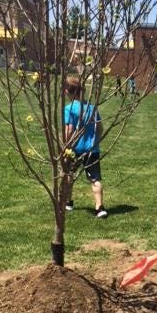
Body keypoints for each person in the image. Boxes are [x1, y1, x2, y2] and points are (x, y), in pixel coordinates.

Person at [63, 76, 108, 217]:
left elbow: (69, 130)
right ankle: (99, 207)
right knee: (95, 179)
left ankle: (68, 202)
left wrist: (66, 146)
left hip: (74, 149)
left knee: (69, 174)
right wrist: (95, 142)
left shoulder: (69, 109)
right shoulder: (92, 108)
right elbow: (100, 127)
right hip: (92, 150)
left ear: (67, 92)